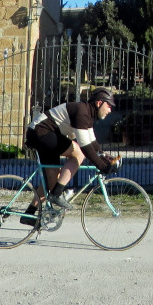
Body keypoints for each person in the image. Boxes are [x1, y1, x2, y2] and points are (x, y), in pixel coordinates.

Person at [21, 87, 121, 225]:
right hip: (41, 132)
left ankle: (29, 214)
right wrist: (102, 165)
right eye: (109, 105)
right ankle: (57, 194)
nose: (110, 110)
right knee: (78, 153)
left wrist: (104, 156)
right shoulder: (82, 112)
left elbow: (92, 141)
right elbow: (85, 145)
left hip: (45, 134)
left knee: (51, 181)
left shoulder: (88, 115)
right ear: (99, 103)